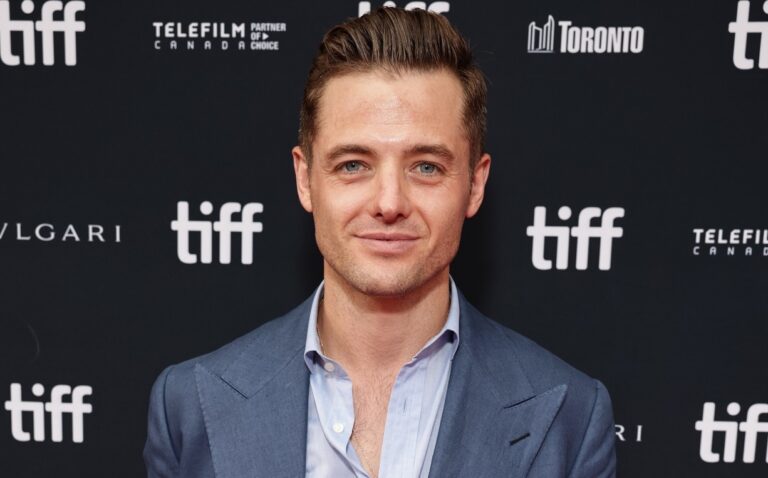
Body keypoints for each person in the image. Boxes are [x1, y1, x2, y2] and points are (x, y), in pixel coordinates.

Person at [144, 7, 616, 478]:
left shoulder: (570, 419)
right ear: (305, 180)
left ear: (474, 185)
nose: (389, 202)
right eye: (353, 164)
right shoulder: (188, 408)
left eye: (426, 166)